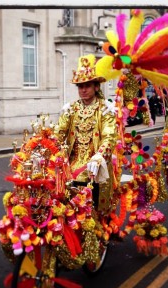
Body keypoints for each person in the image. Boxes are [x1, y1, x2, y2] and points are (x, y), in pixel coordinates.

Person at [54, 54, 117, 215]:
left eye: (87, 86)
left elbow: (109, 136)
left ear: (96, 87)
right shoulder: (71, 109)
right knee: (69, 206)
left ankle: (94, 231)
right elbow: (59, 133)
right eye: (80, 86)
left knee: (92, 208)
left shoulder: (105, 110)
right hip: (72, 165)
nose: (83, 90)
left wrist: (99, 156)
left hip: (94, 166)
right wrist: (48, 145)